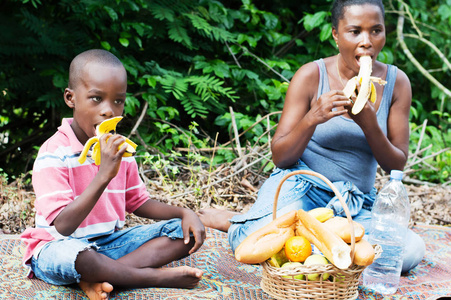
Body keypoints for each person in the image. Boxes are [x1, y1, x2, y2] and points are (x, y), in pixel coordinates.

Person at [198, 0, 425, 273]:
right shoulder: (310, 76)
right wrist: (312, 118)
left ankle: (302, 235)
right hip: (300, 190)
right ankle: (243, 224)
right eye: (355, 31)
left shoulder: (396, 83)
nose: (367, 42)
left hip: (354, 202)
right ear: (335, 34)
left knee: (410, 251)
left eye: (376, 30)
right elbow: (281, 157)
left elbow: (396, 166)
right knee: (250, 243)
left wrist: (369, 124)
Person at [20, 49, 206, 300]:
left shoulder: (121, 150)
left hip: (110, 245)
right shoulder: (54, 153)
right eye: (97, 99)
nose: (109, 111)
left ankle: (101, 278)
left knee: (182, 232)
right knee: (77, 256)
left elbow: (138, 203)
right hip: (59, 248)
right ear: (70, 98)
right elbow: (64, 226)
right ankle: (150, 277)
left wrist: (185, 213)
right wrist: (104, 174)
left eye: (118, 101)